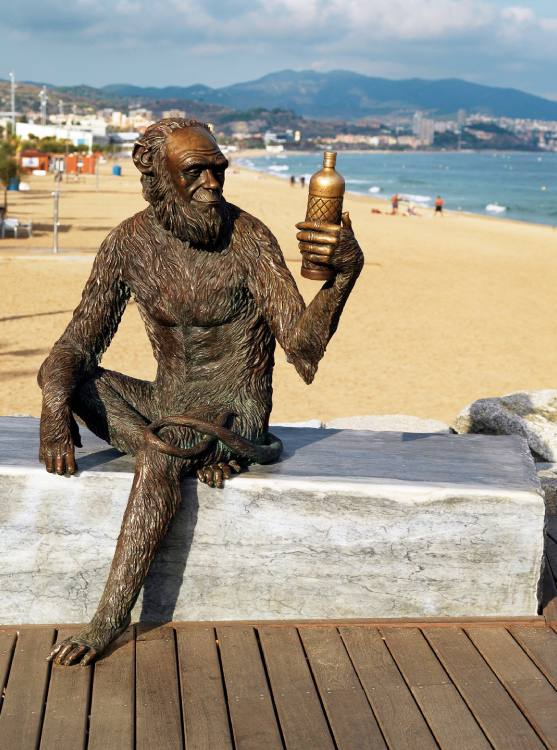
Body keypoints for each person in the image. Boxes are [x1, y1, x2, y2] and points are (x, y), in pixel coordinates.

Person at [39, 118, 364, 665]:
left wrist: (344, 276)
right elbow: (75, 344)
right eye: (195, 172)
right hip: (167, 404)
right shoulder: (128, 244)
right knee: (72, 382)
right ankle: (180, 454)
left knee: (160, 453)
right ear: (156, 173)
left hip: (233, 409)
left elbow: (303, 351)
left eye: (218, 170)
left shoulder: (249, 238)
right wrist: (53, 407)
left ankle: (107, 621)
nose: (211, 184)